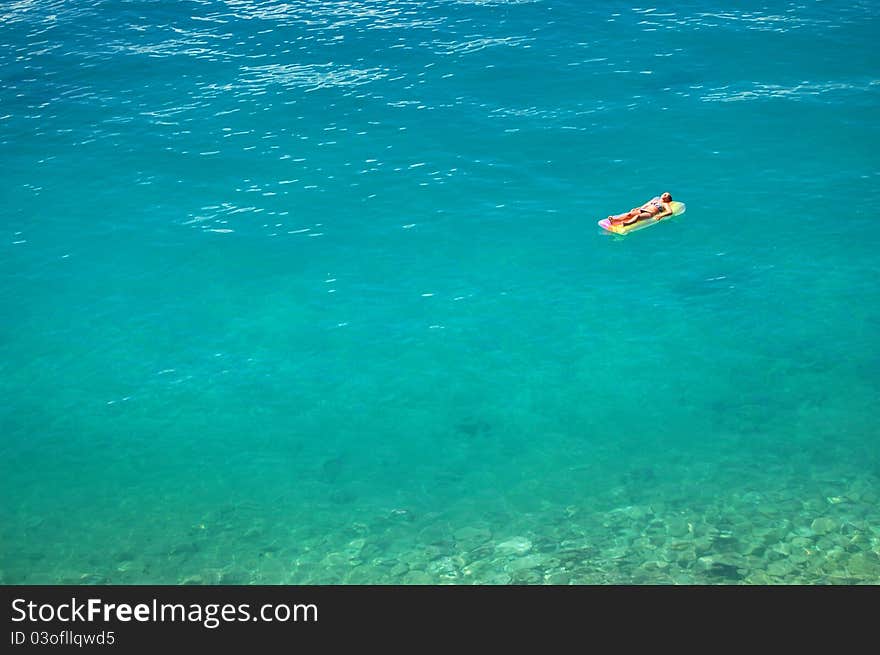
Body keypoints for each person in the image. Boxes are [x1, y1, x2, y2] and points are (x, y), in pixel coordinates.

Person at [608, 192, 674, 226]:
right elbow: (647, 204)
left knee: (637, 217)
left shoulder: (665, 204)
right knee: (629, 214)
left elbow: (670, 212)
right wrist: (639, 208)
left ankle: (626, 224)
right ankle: (614, 219)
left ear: (668, 200)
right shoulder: (656, 199)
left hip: (650, 213)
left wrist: (661, 215)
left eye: (667, 195)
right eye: (664, 193)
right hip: (642, 210)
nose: (664, 195)